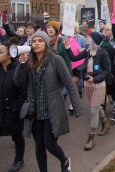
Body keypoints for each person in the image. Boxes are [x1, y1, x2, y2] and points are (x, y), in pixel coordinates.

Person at [14, 31, 82, 172]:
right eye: (34, 41)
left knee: (49, 144)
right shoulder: (29, 62)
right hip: (36, 111)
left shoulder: (56, 60)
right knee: (39, 147)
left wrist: (77, 107)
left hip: (53, 109)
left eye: (40, 41)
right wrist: (21, 64)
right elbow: (18, 82)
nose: (36, 43)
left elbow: (69, 84)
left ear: (46, 44)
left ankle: (64, 160)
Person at [64, 32, 111, 150]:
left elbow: (107, 71)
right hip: (87, 84)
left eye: (89, 37)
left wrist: (95, 78)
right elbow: (73, 58)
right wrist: (67, 47)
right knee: (95, 106)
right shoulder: (87, 51)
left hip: (98, 84)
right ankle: (105, 124)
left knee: (93, 109)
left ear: (94, 40)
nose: (87, 38)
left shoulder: (103, 53)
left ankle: (91, 138)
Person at [0, 41, 26, 172]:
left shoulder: (18, 67)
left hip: (14, 109)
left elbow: (23, 90)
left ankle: (19, 159)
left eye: (0, 52)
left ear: (9, 54)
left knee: (16, 135)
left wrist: (17, 107)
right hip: (1, 108)